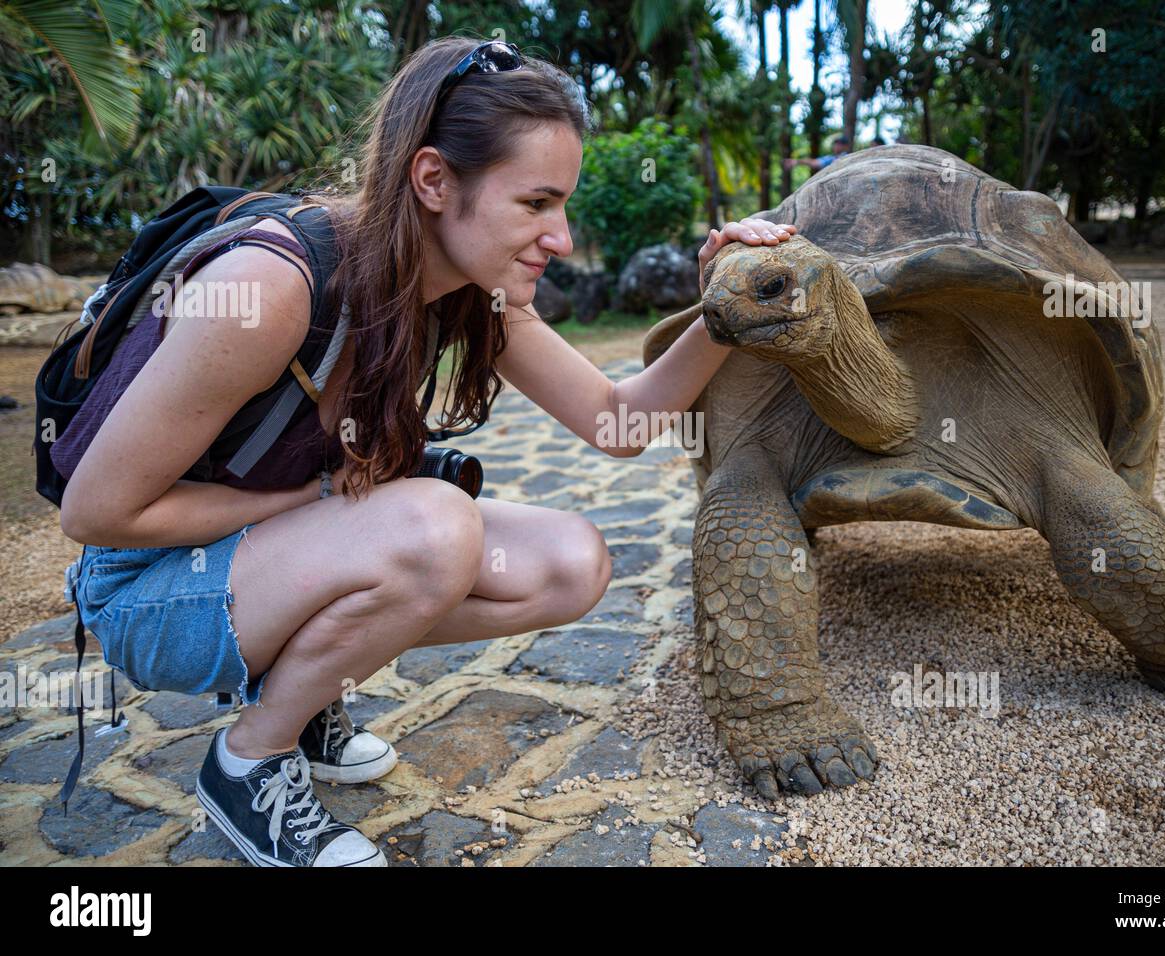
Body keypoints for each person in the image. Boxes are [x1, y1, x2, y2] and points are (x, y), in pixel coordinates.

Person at [55, 36, 797, 867]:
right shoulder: (273, 289)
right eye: (536, 204)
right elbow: (98, 514)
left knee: (570, 562)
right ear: (435, 180)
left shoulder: (470, 291)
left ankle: (306, 693)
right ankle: (250, 764)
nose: (560, 237)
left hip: (262, 561)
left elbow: (617, 425)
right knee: (434, 527)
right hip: (146, 591)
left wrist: (726, 308)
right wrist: (318, 500)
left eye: (563, 206)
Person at [782, 134, 852, 173]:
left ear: (846, 146)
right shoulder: (830, 158)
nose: (836, 146)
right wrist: (797, 162)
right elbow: (815, 162)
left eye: (840, 144)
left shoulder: (848, 158)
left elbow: (815, 163)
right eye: (835, 144)